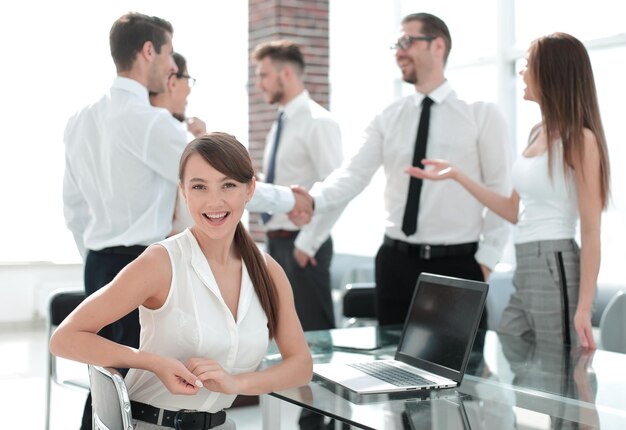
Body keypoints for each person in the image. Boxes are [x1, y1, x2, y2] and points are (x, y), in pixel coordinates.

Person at [62, 13, 312, 429]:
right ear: (149, 52)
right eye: (171, 64)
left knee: (105, 382)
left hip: (100, 256)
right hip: (145, 260)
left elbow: (73, 207)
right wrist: (290, 199)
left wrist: (94, 252)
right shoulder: (151, 122)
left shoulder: (80, 120)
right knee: (124, 379)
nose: (173, 74)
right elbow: (218, 176)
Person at [51, 132, 313, 430]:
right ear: (183, 192)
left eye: (228, 185)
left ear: (249, 189)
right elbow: (65, 338)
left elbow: (300, 366)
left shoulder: (268, 272)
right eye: (199, 186)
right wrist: (152, 361)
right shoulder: (161, 263)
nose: (214, 201)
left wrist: (234, 382)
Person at [305, 12, 513, 328]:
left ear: (438, 46)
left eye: (406, 42)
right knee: (395, 369)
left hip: (457, 266)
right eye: (396, 45)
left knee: (462, 374)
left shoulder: (481, 113)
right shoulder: (388, 116)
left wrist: (486, 260)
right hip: (395, 264)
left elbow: (500, 190)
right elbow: (353, 174)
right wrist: (310, 201)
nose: (399, 52)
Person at [407, 32, 610, 348]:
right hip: (526, 261)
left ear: (551, 72)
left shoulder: (581, 140)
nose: (521, 72)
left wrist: (584, 307)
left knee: (560, 369)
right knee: (514, 350)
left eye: (528, 64)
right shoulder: (536, 132)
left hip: (555, 261)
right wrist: (458, 176)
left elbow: (592, 231)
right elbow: (513, 211)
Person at [253, 39, 343, 430]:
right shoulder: (282, 122)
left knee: (316, 340)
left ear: (286, 73)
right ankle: (311, 417)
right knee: (290, 339)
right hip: (279, 246)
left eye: (263, 75)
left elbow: (336, 191)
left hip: (305, 249)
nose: (259, 84)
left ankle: (324, 421)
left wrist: (307, 246)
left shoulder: (318, 121)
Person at [150, 51, 205, 234]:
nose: (189, 89)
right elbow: (216, 183)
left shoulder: (180, 135)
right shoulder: (164, 133)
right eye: (187, 79)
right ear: (172, 81)